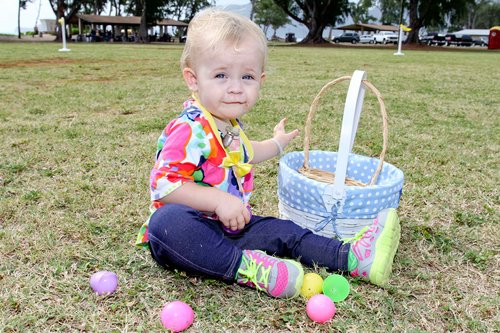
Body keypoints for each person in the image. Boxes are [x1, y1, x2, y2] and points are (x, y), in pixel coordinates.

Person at [136, 9, 401, 299]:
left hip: (230, 227)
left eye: (247, 76)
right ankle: (247, 269)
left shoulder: (229, 126)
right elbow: (164, 185)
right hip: (189, 234)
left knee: (285, 230)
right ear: (193, 79)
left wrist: (276, 143)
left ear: (260, 80)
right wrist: (219, 200)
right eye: (221, 75)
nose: (236, 88)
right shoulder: (189, 129)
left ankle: (351, 257)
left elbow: (248, 152)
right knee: (167, 224)